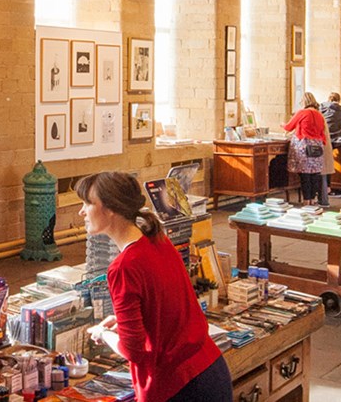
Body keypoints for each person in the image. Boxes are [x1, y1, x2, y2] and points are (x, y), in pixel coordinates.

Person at [78, 172, 231, 402]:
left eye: (87, 203)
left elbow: (134, 351)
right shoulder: (157, 239)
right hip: (210, 369)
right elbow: (166, 302)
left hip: (179, 387)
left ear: (110, 208)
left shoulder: (123, 267)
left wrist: (104, 333)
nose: (81, 211)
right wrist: (124, 322)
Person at [282, 92, 334, 207]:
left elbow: (289, 127)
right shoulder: (320, 115)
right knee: (314, 174)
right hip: (317, 146)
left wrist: (282, 125)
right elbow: (322, 132)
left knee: (305, 175)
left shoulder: (302, 113)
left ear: (304, 102)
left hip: (304, 146)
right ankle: (312, 200)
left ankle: (306, 201)